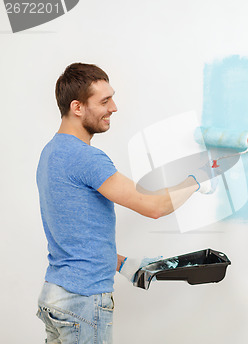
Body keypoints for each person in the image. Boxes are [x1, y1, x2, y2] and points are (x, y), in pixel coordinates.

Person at [36, 62, 211, 343]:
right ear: (77, 107)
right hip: (82, 302)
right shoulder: (86, 158)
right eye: (105, 101)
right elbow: (154, 206)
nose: (114, 107)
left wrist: (120, 263)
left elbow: (72, 231)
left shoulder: (51, 152)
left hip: (56, 296)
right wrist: (200, 178)